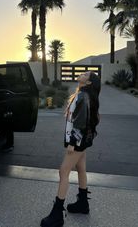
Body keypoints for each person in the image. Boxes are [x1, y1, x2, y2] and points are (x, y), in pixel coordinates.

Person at [40, 71, 101, 227]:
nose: (82, 74)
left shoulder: (83, 97)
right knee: (81, 168)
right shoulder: (83, 95)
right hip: (83, 139)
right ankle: (82, 204)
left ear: (89, 82)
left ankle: (57, 215)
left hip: (77, 140)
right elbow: (93, 119)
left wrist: (72, 143)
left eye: (86, 74)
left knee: (63, 171)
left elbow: (80, 123)